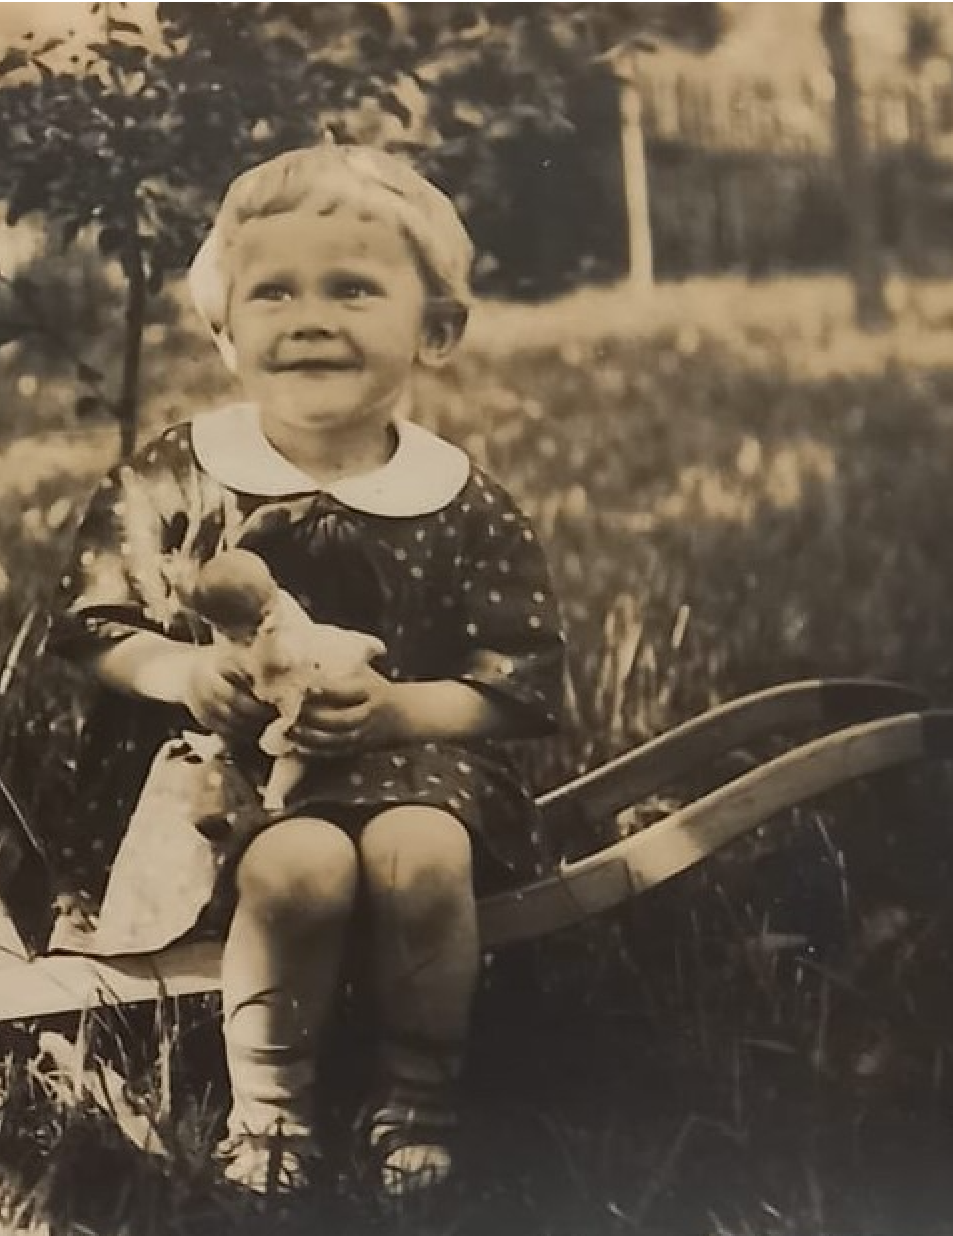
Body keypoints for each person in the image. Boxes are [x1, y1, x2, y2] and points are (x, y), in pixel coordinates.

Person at [48, 143, 567, 1199]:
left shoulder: (461, 499)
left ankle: (417, 1099)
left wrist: (396, 712)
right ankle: (270, 1113)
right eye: (273, 292)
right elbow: (96, 625)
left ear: (435, 330)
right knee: (301, 868)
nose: (311, 319)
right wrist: (181, 673)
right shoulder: (176, 474)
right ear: (223, 332)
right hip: (219, 773)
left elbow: (516, 685)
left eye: (354, 289)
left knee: (423, 852)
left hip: (413, 764)